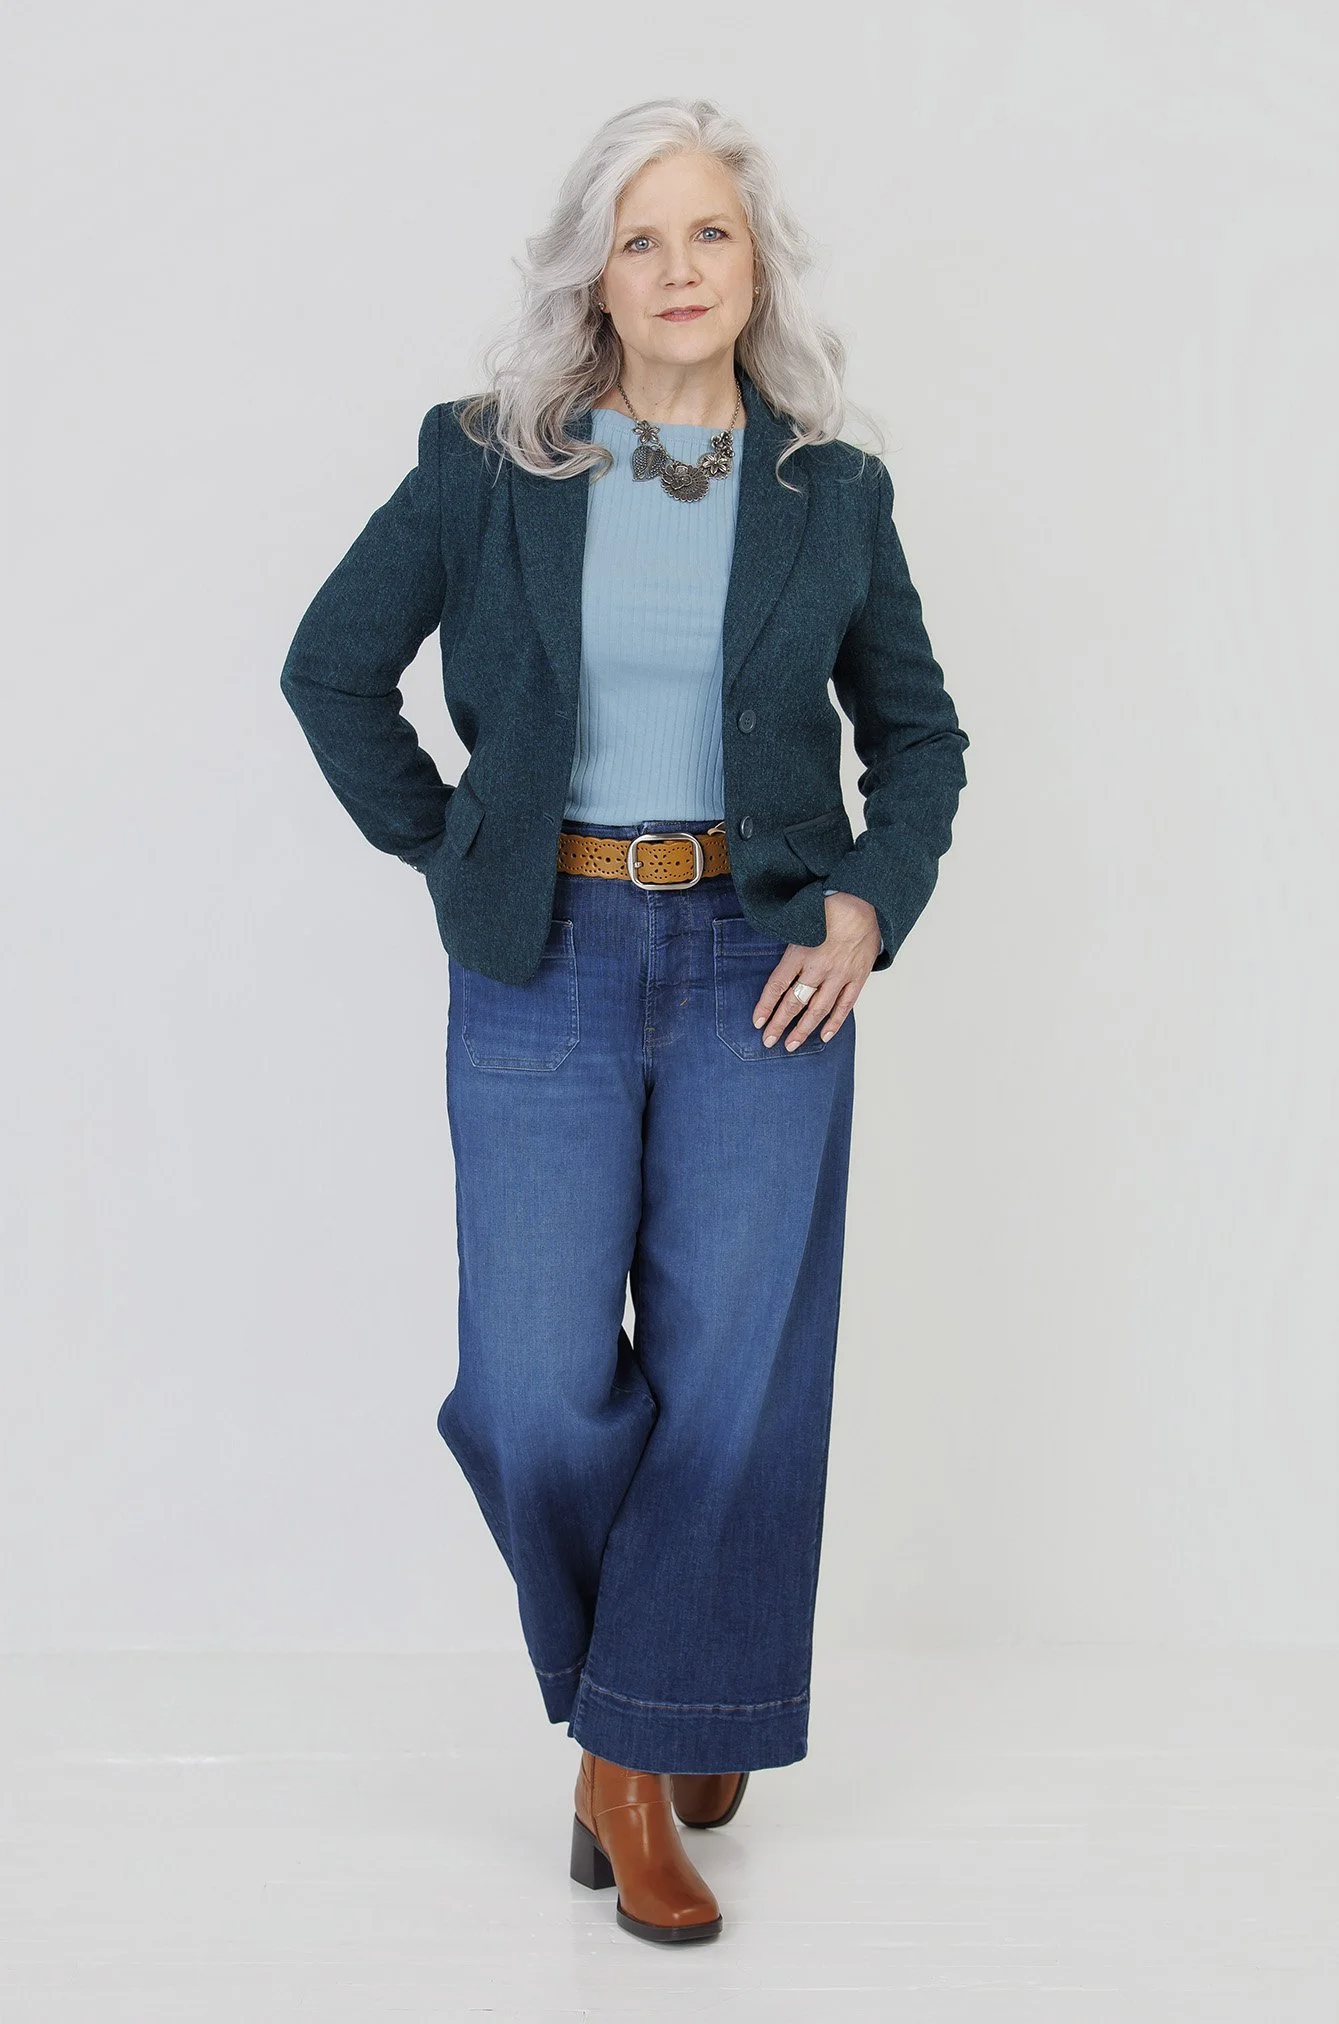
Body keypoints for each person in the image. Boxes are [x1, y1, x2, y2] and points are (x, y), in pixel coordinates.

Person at [279, 96, 969, 1947]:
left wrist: (866, 900)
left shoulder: (830, 486)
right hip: (547, 955)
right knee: (526, 1385)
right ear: (596, 267)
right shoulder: (488, 461)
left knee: (733, 1371)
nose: (678, 270)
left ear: (757, 270)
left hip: (761, 973)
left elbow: (917, 736)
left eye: (711, 237)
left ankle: (626, 1763)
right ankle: (674, 1692)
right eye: (644, 237)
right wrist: (458, 849)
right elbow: (330, 667)